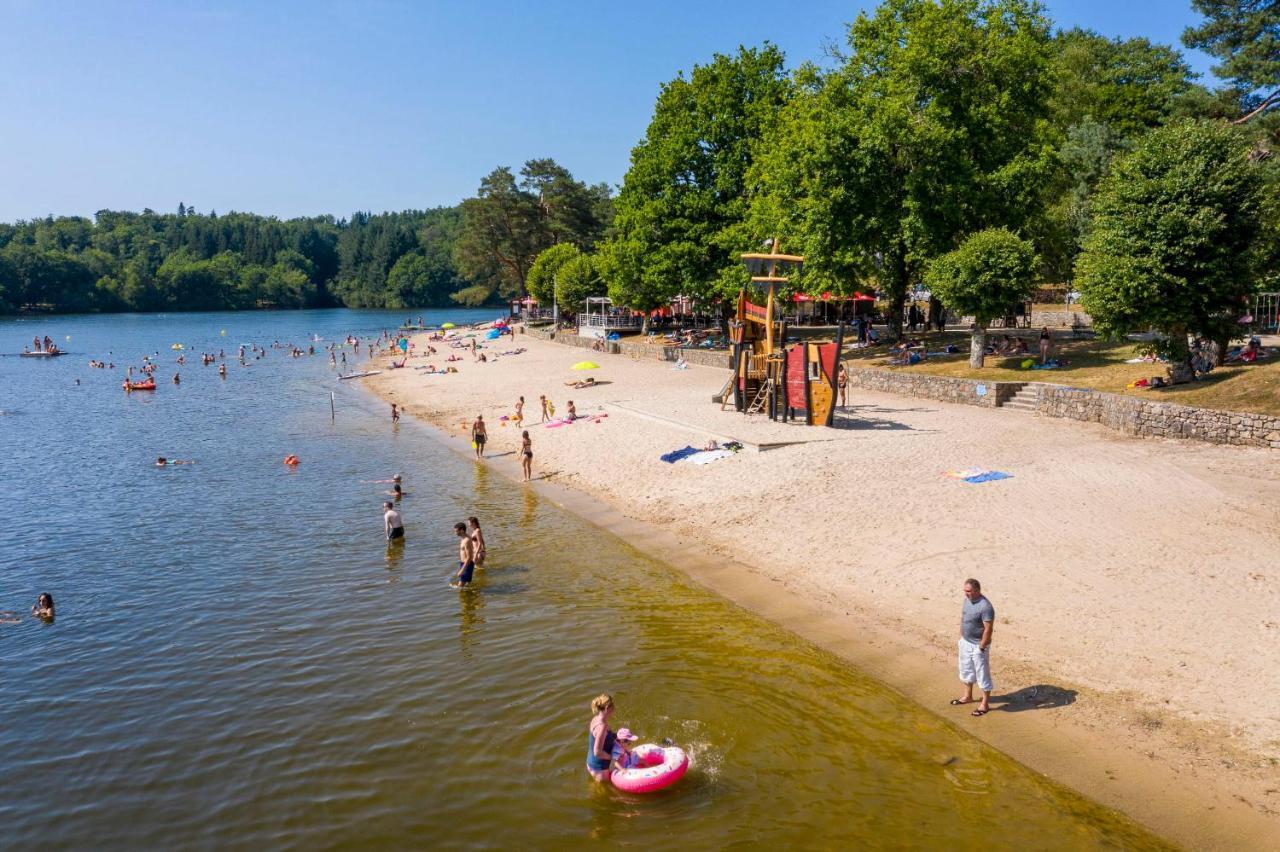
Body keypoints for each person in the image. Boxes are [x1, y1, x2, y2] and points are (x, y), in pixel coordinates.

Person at [952, 578, 995, 717]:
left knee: (982, 674)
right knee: (966, 670)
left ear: (977, 590)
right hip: (965, 642)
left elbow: (988, 629)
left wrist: (982, 647)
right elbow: (963, 618)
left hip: (978, 645)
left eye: (969, 591)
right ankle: (968, 696)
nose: (966, 593)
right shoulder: (966, 601)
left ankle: (985, 704)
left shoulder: (985, 606)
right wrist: (961, 637)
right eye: (965, 591)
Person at [586, 693, 617, 781]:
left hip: (591, 762)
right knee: (605, 791)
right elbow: (597, 752)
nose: (614, 708)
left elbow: (600, 738)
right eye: (613, 706)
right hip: (600, 768)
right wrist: (613, 758)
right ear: (607, 708)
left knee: (598, 789)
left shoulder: (595, 719)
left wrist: (616, 736)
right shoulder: (602, 726)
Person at [453, 522, 477, 587]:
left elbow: (469, 557)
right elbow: (473, 539)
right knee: (467, 585)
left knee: (460, 587)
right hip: (464, 564)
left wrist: (462, 570)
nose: (455, 533)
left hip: (467, 564)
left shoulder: (466, 541)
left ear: (462, 530)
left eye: (456, 531)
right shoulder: (464, 538)